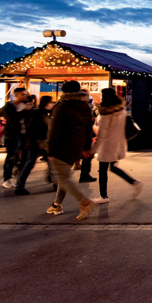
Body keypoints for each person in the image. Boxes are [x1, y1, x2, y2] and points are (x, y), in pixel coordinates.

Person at [45, 81, 96, 220]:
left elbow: (54, 131)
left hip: (62, 147)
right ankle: (57, 204)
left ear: (65, 92)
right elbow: (87, 129)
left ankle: (84, 202)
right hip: (76, 146)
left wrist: (50, 150)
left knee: (63, 179)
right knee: (64, 176)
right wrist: (86, 148)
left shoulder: (61, 107)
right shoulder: (84, 106)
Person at [91, 88, 143, 204]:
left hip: (107, 145)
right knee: (112, 167)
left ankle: (103, 196)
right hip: (119, 143)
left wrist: (93, 150)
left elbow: (102, 133)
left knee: (103, 169)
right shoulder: (121, 109)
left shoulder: (106, 113)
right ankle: (134, 182)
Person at [0, 87, 32, 188]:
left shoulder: (27, 105)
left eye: (26, 94)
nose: (25, 96)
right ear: (16, 95)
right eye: (23, 94)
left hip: (25, 135)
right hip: (12, 135)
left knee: (26, 157)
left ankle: (19, 175)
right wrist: (24, 111)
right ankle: (7, 178)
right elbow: (11, 119)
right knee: (12, 156)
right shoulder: (9, 106)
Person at [78, 91, 98, 183]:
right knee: (87, 156)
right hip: (83, 135)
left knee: (86, 156)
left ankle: (85, 174)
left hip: (81, 135)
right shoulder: (84, 107)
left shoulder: (78, 106)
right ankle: (84, 175)